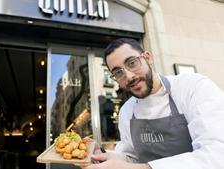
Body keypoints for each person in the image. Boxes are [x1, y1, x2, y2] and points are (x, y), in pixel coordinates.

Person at [84, 38, 224, 169]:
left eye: (132, 63)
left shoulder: (192, 87)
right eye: (118, 72)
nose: (129, 76)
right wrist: (101, 155)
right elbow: (130, 157)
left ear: (147, 58)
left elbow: (217, 154)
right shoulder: (127, 110)